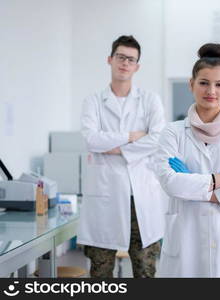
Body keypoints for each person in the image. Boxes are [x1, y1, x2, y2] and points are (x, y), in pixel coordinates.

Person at [154, 43, 220, 277]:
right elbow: (170, 183)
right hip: (187, 237)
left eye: (219, 84)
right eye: (203, 83)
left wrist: (194, 186)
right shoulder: (173, 132)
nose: (210, 90)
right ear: (191, 84)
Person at [78, 35, 166, 278]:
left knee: (145, 270)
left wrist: (116, 147)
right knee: (100, 271)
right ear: (110, 59)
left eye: (131, 59)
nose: (125, 63)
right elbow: (91, 140)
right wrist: (131, 136)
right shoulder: (93, 101)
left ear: (137, 66)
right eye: (120, 57)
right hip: (105, 194)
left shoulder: (150, 100)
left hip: (141, 195)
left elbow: (157, 139)